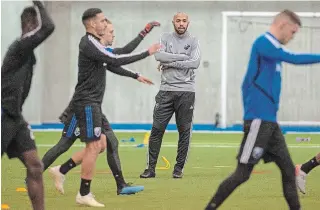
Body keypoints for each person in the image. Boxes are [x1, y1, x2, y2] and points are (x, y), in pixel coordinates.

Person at [204, 10, 320, 210]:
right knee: (242, 174)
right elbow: (293, 58)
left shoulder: (272, 50)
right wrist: (252, 113)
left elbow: (246, 83)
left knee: (287, 171)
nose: (293, 37)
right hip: (259, 121)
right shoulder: (264, 44)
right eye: (292, 32)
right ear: (283, 25)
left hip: (270, 123)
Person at [46, 18, 159, 196]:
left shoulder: (102, 52)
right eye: (111, 32)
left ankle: (120, 185)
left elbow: (118, 59)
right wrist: (146, 52)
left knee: (110, 143)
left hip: (93, 105)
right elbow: (118, 59)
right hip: (82, 106)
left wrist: (136, 73)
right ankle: (40, 175)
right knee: (65, 145)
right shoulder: (94, 49)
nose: (113, 35)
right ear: (101, 33)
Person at [1, 1, 55, 210]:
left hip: (15, 117)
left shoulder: (26, 52)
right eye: (35, 27)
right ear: (29, 26)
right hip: (2, 113)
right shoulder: (20, 46)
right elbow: (48, 27)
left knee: (35, 167)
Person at [140, 12, 201, 179]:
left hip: (186, 92)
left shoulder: (194, 41)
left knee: (184, 131)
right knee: (157, 130)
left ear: (188, 22)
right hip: (166, 91)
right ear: (173, 22)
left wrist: (169, 62)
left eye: (184, 21)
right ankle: (150, 169)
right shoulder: (165, 37)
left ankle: (178, 169)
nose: (181, 23)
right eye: (178, 21)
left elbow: (195, 63)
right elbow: (159, 56)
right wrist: (182, 58)